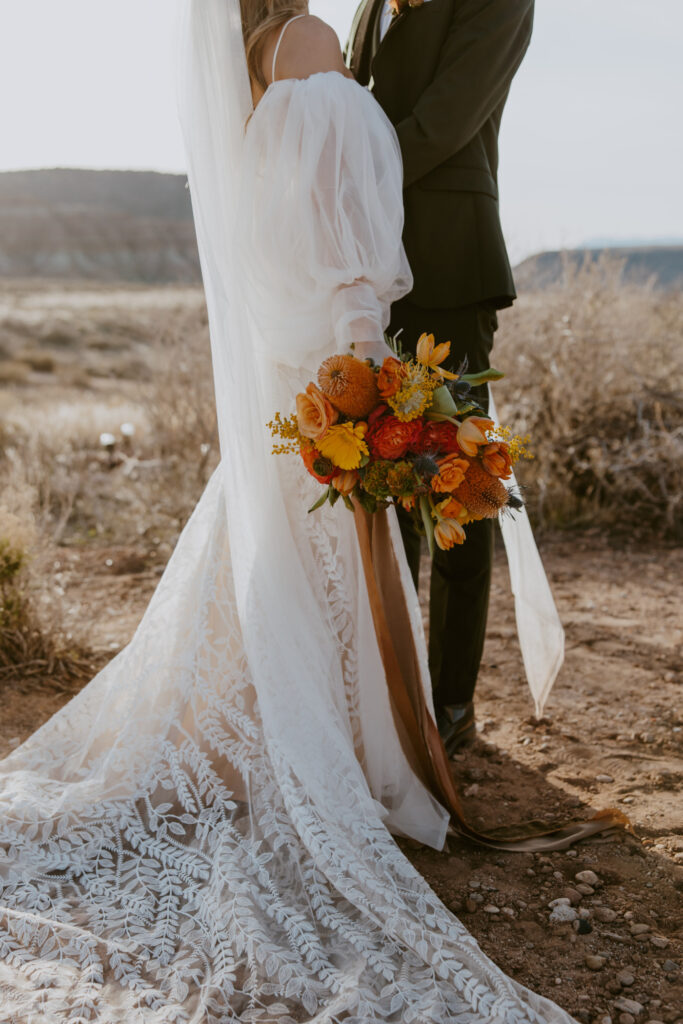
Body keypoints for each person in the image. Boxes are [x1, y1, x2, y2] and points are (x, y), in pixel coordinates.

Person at [0, 1, 582, 1020]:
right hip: (347, 317)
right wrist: (359, 335)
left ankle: (417, 711)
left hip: (374, 300)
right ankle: (377, 730)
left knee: (392, 521)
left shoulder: (269, 54)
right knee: (359, 527)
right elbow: (346, 180)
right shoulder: (319, 35)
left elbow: (412, 132)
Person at [346, 0, 535, 754]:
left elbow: (445, 121)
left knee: (455, 482)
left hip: (449, 263)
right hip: (366, 269)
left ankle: (450, 702)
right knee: (379, 476)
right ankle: (389, 689)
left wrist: (340, 178)